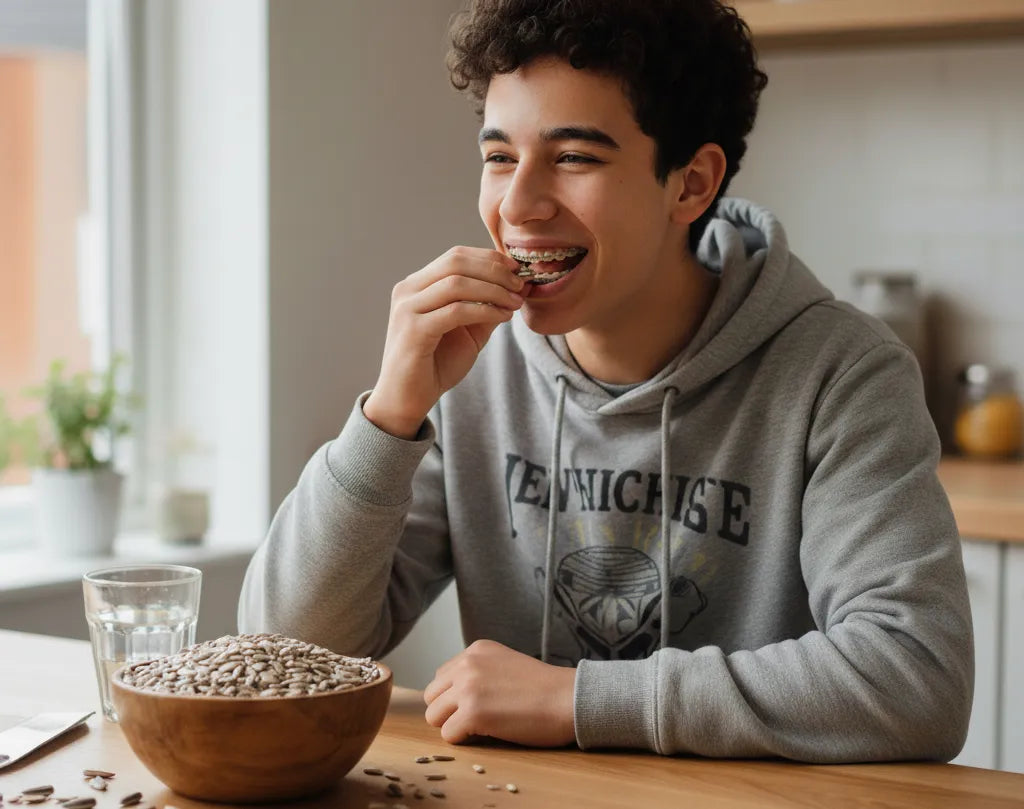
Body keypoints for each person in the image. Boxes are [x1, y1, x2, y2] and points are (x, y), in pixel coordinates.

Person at [238, 0, 973, 763]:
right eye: (498, 156)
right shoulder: (472, 366)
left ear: (691, 184)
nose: (517, 204)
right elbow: (284, 656)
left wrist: (577, 698)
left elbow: (917, 678)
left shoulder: (843, 373)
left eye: (574, 157)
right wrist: (388, 416)